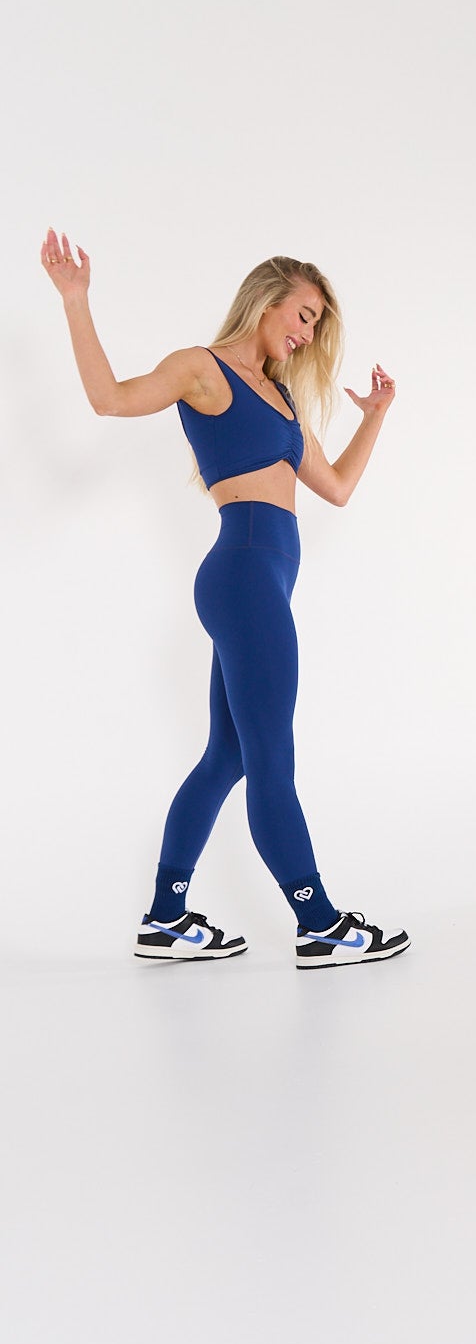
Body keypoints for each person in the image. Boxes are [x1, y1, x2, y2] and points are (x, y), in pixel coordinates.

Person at [42, 227, 409, 970]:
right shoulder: (201, 369)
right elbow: (109, 401)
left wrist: (374, 417)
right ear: (267, 299)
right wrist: (76, 301)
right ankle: (321, 924)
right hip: (243, 574)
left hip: (258, 580)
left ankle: (165, 917)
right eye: (303, 315)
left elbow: (333, 487)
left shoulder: (278, 398)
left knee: (228, 757)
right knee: (272, 755)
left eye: (315, 326)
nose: (306, 336)